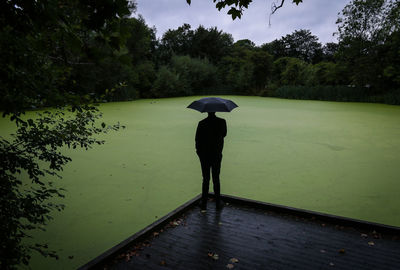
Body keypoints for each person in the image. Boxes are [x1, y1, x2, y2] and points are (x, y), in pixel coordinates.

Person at [195, 112, 227, 210]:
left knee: (205, 178)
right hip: (216, 154)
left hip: (204, 155)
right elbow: (224, 134)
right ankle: (218, 203)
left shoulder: (201, 123)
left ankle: (204, 203)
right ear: (215, 111)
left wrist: (199, 153)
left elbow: (197, 139)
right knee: (216, 178)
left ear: (207, 111)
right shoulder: (222, 122)